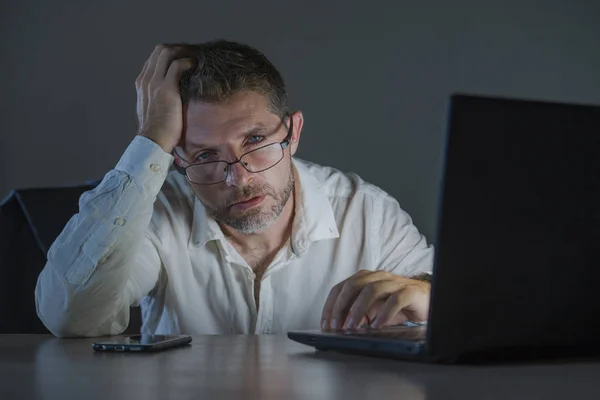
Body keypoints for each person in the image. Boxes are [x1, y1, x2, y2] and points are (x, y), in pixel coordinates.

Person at [35, 40, 433, 337]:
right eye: (207, 155)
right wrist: (151, 141)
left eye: (256, 141)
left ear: (293, 133)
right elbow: (70, 318)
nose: (238, 178)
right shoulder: (156, 213)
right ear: (179, 159)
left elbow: (459, 312)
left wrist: (427, 297)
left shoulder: (368, 213)